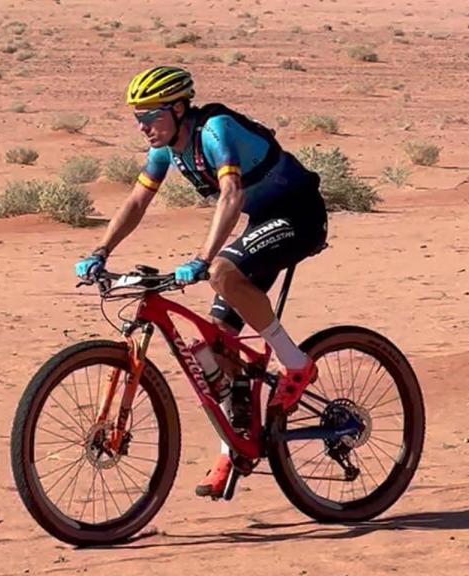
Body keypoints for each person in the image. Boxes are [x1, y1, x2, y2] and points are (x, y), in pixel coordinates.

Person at [75, 65, 329, 499]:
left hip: (299, 215)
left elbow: (232, 195)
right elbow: (138, 200)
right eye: (137, 117)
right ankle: (234, 448)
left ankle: (297, 364)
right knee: (215, 346)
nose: (143, 126)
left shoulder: (215, 131)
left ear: (178, 108)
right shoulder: (166, 150)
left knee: (221, 272)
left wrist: (202, 258)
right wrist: (101, 250)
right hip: (262, 224)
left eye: (151, 116)